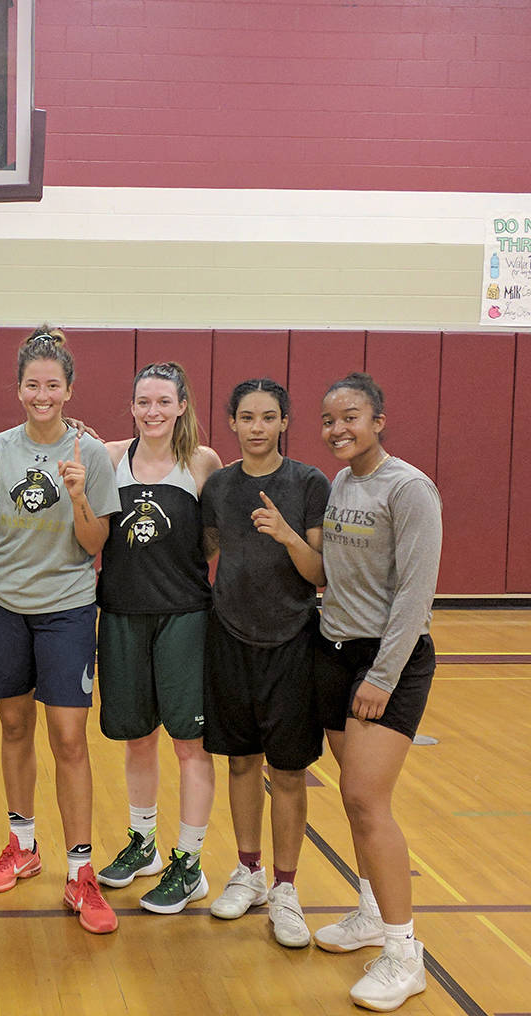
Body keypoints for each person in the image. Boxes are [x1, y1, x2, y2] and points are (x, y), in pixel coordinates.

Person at [0, 328, 121, 934]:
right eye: (33, 384)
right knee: (12, 724)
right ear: (19, 388)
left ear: (69, 389)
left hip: (67, 606)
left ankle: (81, 872)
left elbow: (95, 543)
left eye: (54, 385)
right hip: (2, 602)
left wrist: (80, 495)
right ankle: (22, 845)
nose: (42, 394)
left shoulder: (92, 455)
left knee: (69, 737)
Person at [311, 372, 442, 1011]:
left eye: (352, 417)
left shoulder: (410, 488)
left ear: (379, 419)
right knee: (350, 791)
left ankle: (404, 952)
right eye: (330, 419)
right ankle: (370, 910)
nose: (339, 428)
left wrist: (383, 676)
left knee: (366, 799)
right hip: (336, 651)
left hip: (388, 660)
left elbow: (416, 593)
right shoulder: (342, 481)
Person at [200, 379, 329, 948]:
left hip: (293, 640)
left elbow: (319, 573)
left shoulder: (308, 483)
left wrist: (285, 536)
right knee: (240, 763)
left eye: (268, 417)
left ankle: (285, 889)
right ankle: (248, 872)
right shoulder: (220, 487)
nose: (256, 426)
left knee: (291, 772)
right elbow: (204, 552)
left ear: (284, 421)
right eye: (246, 416)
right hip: (228, 639)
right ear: (231, 422)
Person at [95, 361, 223, 914]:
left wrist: (172, 580)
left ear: (181, 405)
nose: (153, 411)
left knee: (188, 743)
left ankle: (189, 863)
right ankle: (143, 844)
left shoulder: (201, 462)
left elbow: (210, 541)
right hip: (121, 613)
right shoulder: (108, 458)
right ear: (132, 406)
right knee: (136, 735)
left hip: (184, 617)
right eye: (143, 402)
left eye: (163, 402)